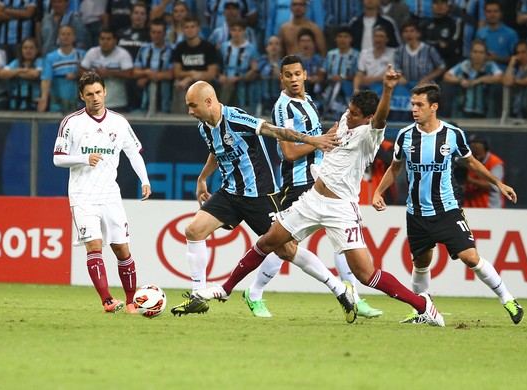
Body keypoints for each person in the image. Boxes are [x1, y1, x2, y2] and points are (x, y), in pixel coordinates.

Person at [188, 65, 446, 327]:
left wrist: (388, 90)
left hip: (341, 208)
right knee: (269, 241)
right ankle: (226, 289)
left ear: (367, 118)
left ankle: (423, 305)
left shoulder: (371, 135)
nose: (349, 115)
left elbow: (379, 119)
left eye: (356, 114)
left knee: (365, 274)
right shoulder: (347, 118)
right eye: (350, 110)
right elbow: (340, 124)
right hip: (312, 200)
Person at [170, 80, 350, 318]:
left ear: (209, 101)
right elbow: (217, 151)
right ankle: (197, 296)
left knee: (287, 250)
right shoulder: (204, 127)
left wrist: (312, 140)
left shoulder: (235, 118)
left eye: (193, 106)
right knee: (193, 231)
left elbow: (276, 131)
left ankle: (339, 289)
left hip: (260, 196)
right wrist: (202, 178)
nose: (190, 111)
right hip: (230, 193)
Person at [238, 54, 383, 319]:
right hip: (298, 180)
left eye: (297, 74)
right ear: (281, 78)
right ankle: (256, 292)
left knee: (337, 243)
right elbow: (289, 153)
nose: (293, 79)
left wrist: (331, 138)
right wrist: (318, 141)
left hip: (321, 177)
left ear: (305, 74)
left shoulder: (309, 101)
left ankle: (352, 297)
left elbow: (322, 139)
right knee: (284, 245)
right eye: (288, 75)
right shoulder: (284, 108)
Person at [372, 82, 524, 325]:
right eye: (413, 104)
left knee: (471, 257)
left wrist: (498, 183)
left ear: (434, 107)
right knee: (421, 262)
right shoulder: (405, 135)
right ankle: (421, 311)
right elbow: (395, 167)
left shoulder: (452, 134)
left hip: (447, 210)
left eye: (419, 105)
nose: (414, 109)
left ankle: (508, 299)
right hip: (416, 213)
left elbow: (472, 163)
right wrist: (379, 191)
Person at [53, 71, 151, 314]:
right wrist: (84, 158)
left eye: (98, 92)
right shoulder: (71, 122)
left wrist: (145, 180)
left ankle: (130, 302)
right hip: (82, 195)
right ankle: (107, 300)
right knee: (94, 246)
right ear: (81, 96)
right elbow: (57, 159)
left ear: (105, 92)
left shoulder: (119, 122)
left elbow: (133, 153)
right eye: (89, 94)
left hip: (110, 196)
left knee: (122, 248)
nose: (95, 98)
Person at [170, 15, 219, 114]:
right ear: (183, 30)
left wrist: (190, 78)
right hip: (184, 82)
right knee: (178, 84)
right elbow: (177, 72)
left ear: (198, 29)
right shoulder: (180, 48)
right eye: (187, 27)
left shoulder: (208, 48)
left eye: (193, 27)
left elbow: (211, 74)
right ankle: (179, 117)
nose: (190, 30)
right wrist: (192, 74)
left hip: (204, 82)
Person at [442, 40, 503, 118]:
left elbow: (500, 77)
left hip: (486, 114)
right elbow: (446, 76)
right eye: (475, 52)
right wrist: (460, 80)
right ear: (470, 53)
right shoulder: (464, 65)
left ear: (485, 54)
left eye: (481, 52)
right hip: (463, 112)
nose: (478, 55)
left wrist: (479, 80)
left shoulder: (490, 66)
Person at [80, 28, 134, 112]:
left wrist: (109, 73)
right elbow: (80, 70)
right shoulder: (92, 52)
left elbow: (130, 73)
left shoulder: (123, 54)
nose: (105, 42)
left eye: (108, 39)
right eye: (102, 39)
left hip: (117, 103)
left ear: (114, 41)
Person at [38, 25, 85, 113]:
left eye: (68, 34)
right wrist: (44, 98)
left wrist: (76, 75)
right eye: (63, 34)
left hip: (78, 101)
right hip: (57, 100)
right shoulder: (50, 57)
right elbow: (46, 79)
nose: (65, 37)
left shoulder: (82, 55)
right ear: (58, 37)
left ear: (74, 37)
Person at [132, 17, 174, 114]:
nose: (156, 35)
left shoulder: (171, 50)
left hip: (164, 99)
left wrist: (147, 77)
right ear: (150, 33)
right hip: (145, 100)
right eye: (153, 32)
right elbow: (135, 72)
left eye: (159, 32)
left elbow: (171, 74)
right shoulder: (143, 49)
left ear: (164, 33)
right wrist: (147, 72)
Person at [0, 36, 43, 110]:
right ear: (21, 50)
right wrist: (19, 71)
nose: (28, 50)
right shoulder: (15, 63)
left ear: (37, 50)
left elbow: (35, 74)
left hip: (34, 106)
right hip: (16, 105)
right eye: (25, 48)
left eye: (31, 48)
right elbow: (2, 74)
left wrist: (14, 73)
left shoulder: (40, 62)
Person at [463, 136, 505, 208]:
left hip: (490, 207)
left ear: (485, 150)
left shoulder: (495, 162)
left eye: (479, 153)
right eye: (474, 154)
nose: (478, 157)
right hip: (469, 205)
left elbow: (493, 186)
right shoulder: (466, 160)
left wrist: (469, 180)